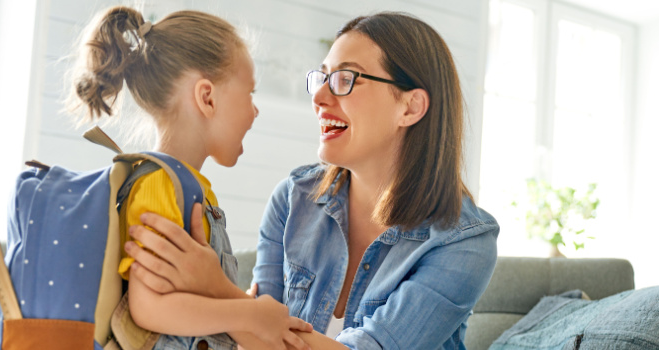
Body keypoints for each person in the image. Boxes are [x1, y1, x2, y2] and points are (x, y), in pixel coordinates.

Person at [122, 11, 500, 349]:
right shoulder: (292, 199)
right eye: (322, 78)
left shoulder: (465, 241)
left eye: (344, 79)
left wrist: (216, 287)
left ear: (410, 106)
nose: (318, 96)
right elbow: (257, 341)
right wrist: (241, 311)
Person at [68, 6, 312, 350]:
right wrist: (247, 315)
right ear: (207, 97)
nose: (254, 110)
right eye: (250, 93)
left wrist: (235, 304)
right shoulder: (159, 185)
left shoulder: (190, 188)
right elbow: (149, 308)